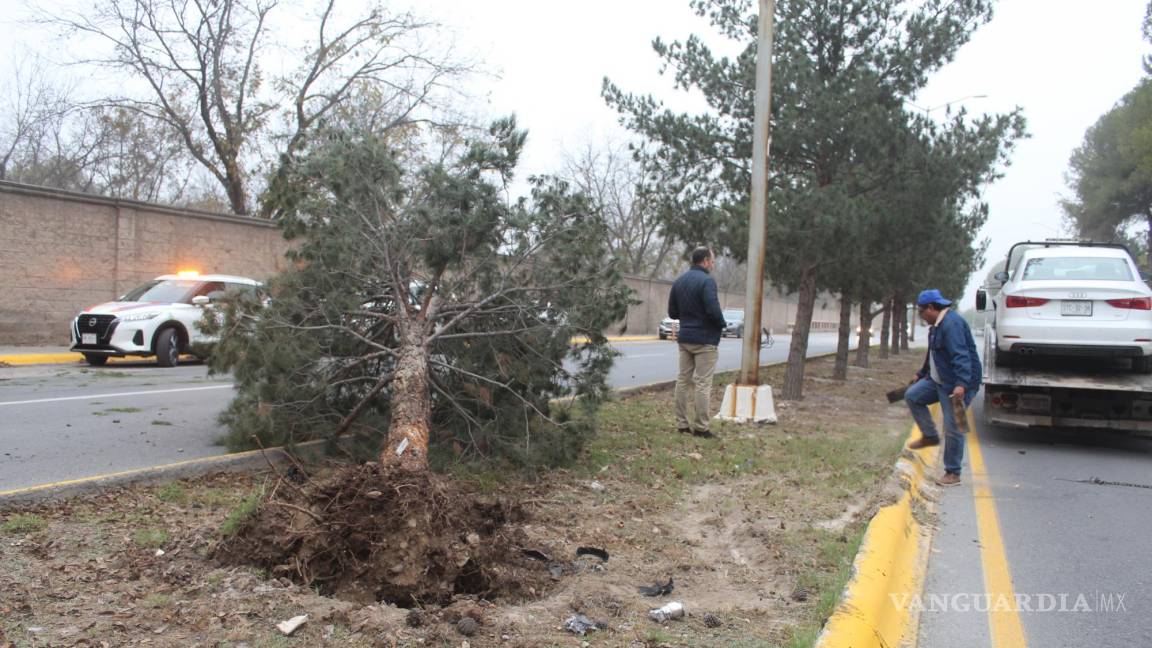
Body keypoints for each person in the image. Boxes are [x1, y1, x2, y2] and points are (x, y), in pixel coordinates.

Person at [905, 289, 982, 486]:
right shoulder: (936, 326)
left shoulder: (951, 324)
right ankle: (930, 436)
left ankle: (953, 472)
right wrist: (921, 374)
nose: (922, 317)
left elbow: (961, 355)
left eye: (922, 312)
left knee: (955, 426)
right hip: (938, 379)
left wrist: (961, 384)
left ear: (931, 308)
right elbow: (933, 354)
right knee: (913, 396)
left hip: (957, 384)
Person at [668, 246, 726, 438]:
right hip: (705, 340)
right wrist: (721, 324)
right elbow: (713, 310)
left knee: (682, 381)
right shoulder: (707, 282)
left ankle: (682, 424)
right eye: (713, 260)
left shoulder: (679, 282)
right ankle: (701, 428)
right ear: (706, 261)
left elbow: (672, 313)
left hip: (685, 338)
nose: (713, 264)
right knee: (703, 384)